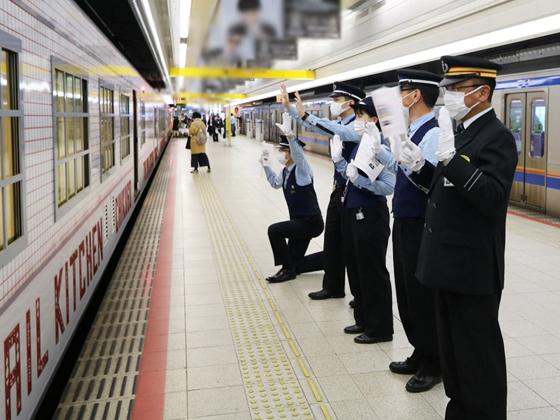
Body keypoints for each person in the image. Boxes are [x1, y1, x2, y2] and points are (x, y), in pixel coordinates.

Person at [395, 56, 517, 419]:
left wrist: (452, 161)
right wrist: (421, 168)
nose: (447, 96)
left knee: (478, 357)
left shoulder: (497, 137)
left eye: (455, 89)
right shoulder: (463, 133)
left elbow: (492, 199)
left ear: (482, 92)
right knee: (454, 352)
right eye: (446, 89)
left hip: (472, 267)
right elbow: (443, 190)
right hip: (447, 263)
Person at [374, 69, 443, 392]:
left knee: (420, 295)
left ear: (415, 95)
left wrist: (406, 162)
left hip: (419, 222)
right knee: (406, 291)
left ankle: (433, 364)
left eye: (403, 90)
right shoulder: (413, 129)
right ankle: (420, 350)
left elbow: (426, 181)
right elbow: (405, 167)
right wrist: (381, 154)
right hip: (403, 218)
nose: (399, 97)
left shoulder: (432, 132)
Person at [281, 82, 365, 304]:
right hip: (338, 191)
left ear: (352, 102)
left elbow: (331, 128)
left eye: (337, 100)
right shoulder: (339, 124)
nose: (333, 104)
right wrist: (292, 109)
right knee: (333, 241)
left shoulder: (357, 126)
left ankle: (358, 293)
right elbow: (322, 127)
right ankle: (332, 286)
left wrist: (306, 115)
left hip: (355, 193)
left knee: (350, 244)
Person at [333, 96, 395, 343]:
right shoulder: (362, 144)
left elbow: (387, 187)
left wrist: (360, 182)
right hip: (353, 211)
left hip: (370, 215)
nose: (356, 121)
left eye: (360, 116)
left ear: (374, 120)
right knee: (356, 268)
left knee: (371, 271)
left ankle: (379, 328)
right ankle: (363, 319)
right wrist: (339, 162)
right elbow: (351, 176)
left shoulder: (382, 148)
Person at [260, 113, 324, 283]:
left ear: (292, 153)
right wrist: (266, 166)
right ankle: (328, 259)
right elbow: (275, 183)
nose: (281, 153)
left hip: (310, 222)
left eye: (283, 150)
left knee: (275, 230)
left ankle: (287, 270)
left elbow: (300, 155)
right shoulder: (286, 172)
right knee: (296, 263)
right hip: (299, 221)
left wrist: (290, 136)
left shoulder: (303, 170)